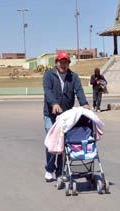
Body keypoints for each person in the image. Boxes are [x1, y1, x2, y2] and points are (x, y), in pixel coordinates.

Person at [43, 51, 89, 182]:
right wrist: (54, 103)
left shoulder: (73, 76)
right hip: (51, 114)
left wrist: (84, 103)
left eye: (66, 62)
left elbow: (79, 90)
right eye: (61, 62)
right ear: (56, 63)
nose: (63, 64)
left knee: (64, 143)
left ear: (68, 63)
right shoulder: (49, 75)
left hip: (66, 115)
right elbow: (48, 91)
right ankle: (49, 169)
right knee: (52, 142)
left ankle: (60, 172)